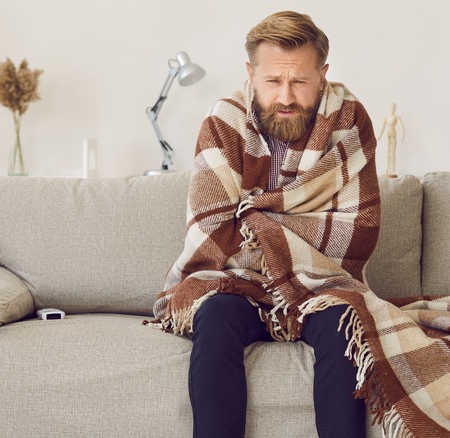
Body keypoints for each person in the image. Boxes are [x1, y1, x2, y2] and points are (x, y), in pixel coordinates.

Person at [149, 10, 379, 438]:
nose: (286, 96)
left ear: (323, 75)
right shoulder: (224, 123)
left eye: (300, 81)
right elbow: (213, 232)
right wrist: (287, 233)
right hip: (236, 285)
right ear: (251, 74)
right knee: (215, 316)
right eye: (273, 81)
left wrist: (255, 218)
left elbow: (358, 230)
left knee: (347, 322)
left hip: (323, 285)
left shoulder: (350, 122)